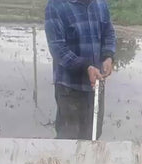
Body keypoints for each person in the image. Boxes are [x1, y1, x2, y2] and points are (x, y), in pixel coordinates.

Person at [44, 0, 116, 140]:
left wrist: (108, 56)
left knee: (93, 136)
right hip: (69, 89)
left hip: (95, 87)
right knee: (68, 137)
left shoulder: (100, 4)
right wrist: (86, 67)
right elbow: (58, 49)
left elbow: (109, 33)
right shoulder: (56, 5)